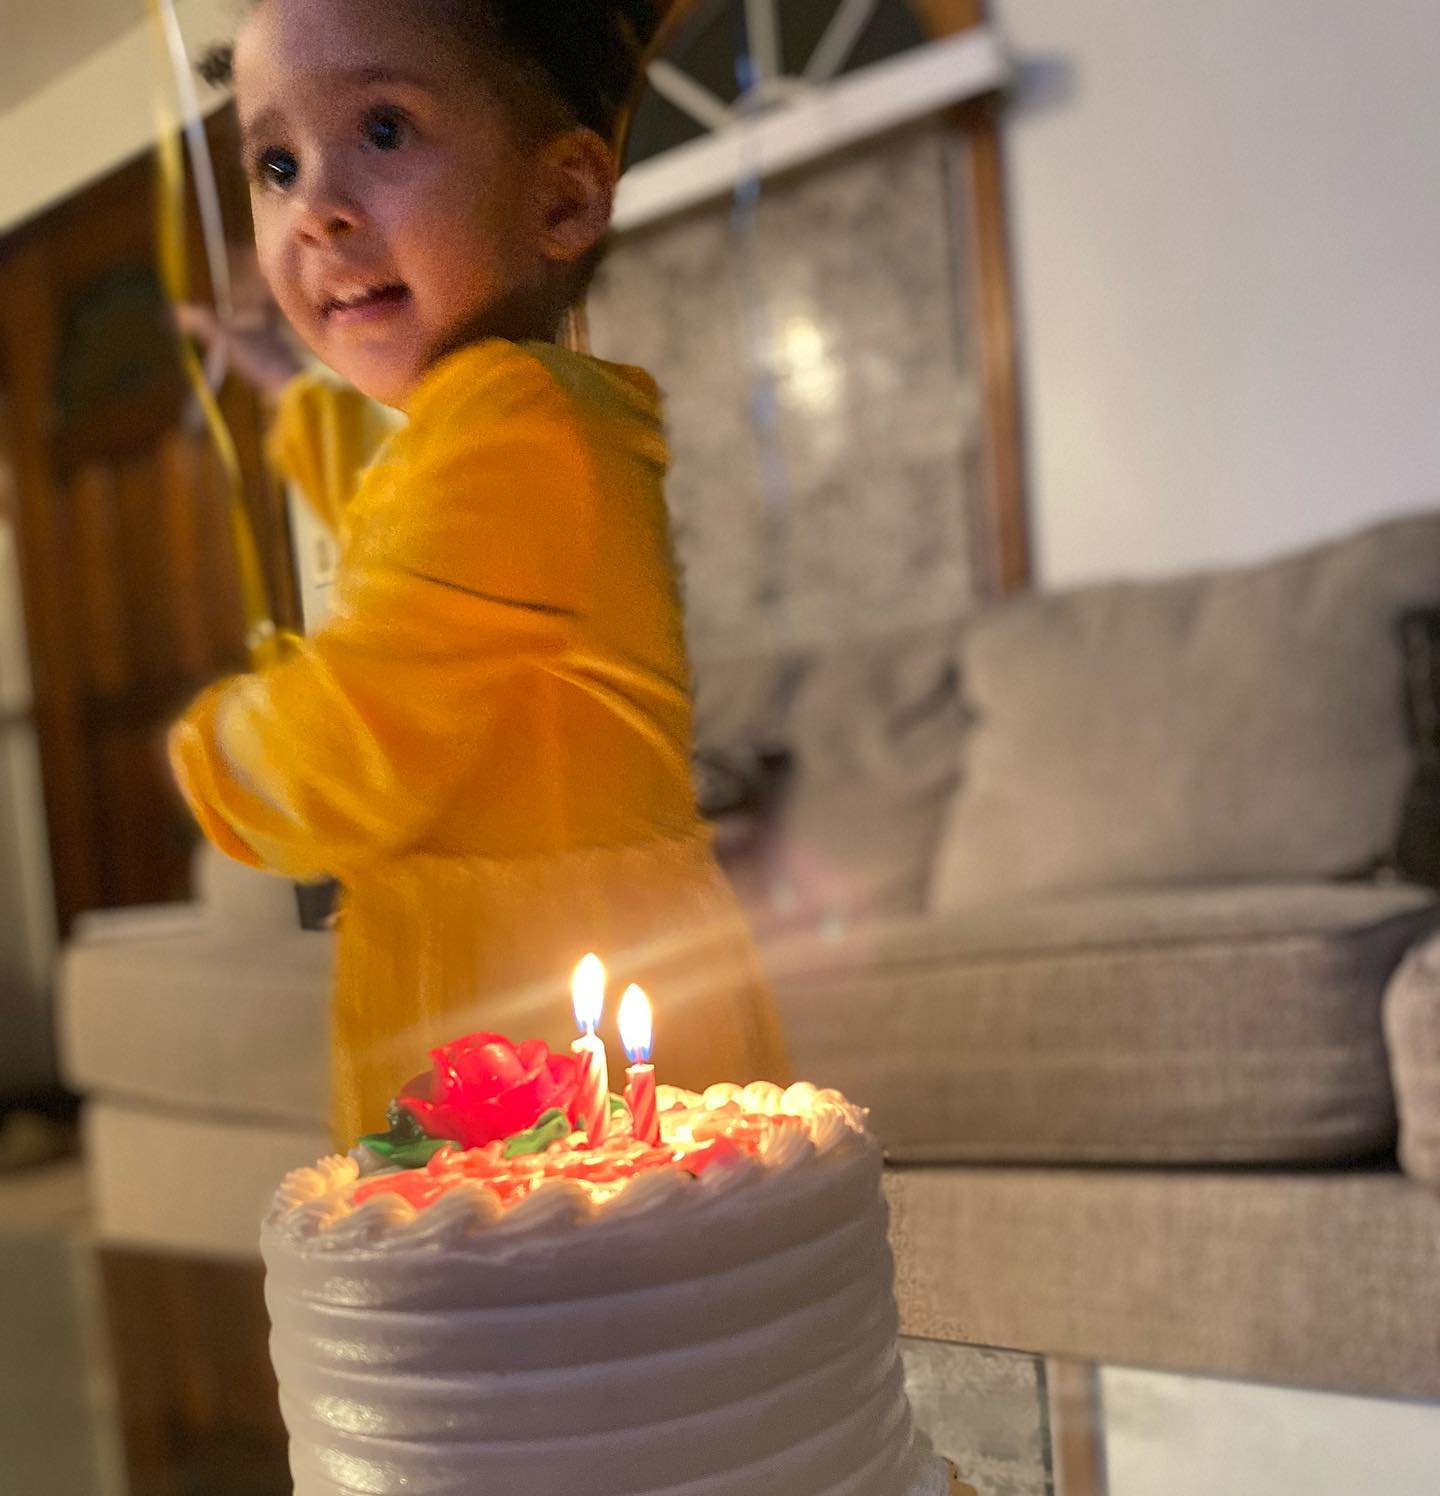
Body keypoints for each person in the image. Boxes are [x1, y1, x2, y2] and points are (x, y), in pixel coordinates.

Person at [170, 0, 789, 1144]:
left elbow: (346, 746)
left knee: (581, 1269)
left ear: (561, 197)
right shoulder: (492, 423)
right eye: (276, 163)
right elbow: (390, 522)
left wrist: (210, 749)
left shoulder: (517, 428)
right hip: (515, 1005)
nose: (316, 207)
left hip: (541, 1030)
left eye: (384, 129)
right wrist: (287, 389)